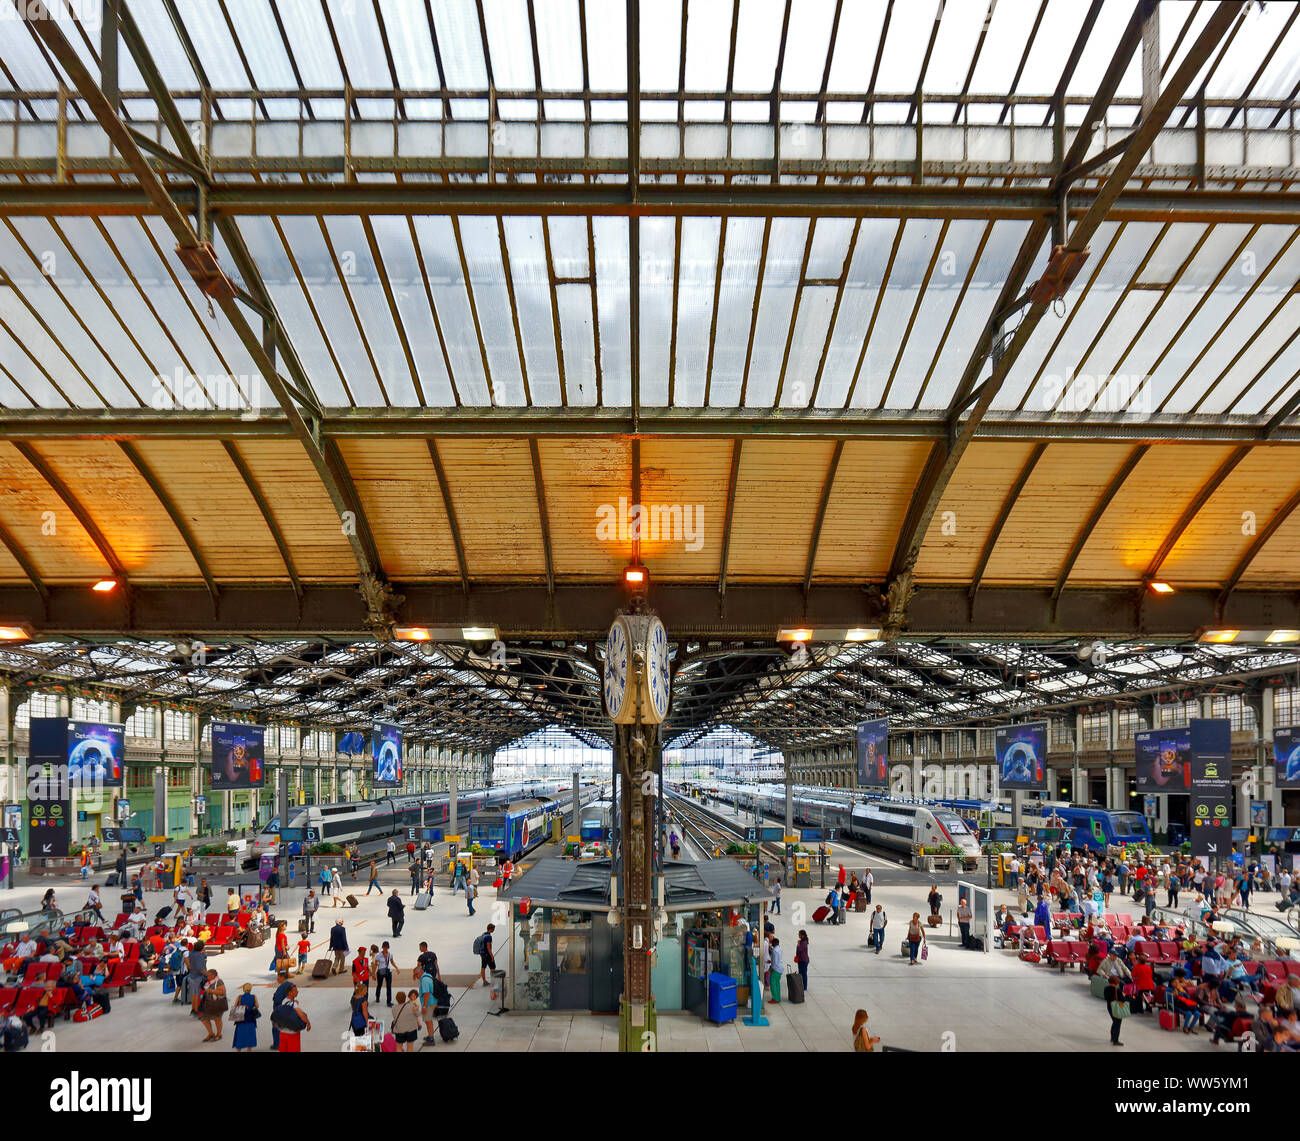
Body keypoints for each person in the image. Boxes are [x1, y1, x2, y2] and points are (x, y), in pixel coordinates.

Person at [275, 984, 310, 1052]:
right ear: (290, 993)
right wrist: (308, 1023)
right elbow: (301, 1015)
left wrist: (294, 1002)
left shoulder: (284, 1001)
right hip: (292, 1034)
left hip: (282, 1032)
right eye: (295, 990)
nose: (297, 991)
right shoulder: (293, 1004)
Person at [199, 969, 227, 1043]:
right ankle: (211, 1033)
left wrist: (211, 991)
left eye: (208, 975)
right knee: (204, 1018)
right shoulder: (208, 982)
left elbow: (223, 992)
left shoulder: (219, 981)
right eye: (207, 975)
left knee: (217, 1018)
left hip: (217, 1003)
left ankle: (218, 1034)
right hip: (208, 1003)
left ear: (213, 975)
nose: (207, 977)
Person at [231, 982, 259, 1052]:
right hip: (250, 1019)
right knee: (250, 1036)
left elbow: (235, 1007)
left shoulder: (239, 997)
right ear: (250, 989)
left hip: (241, 1019)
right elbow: (257, 1006)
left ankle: (238, 1050)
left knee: (240, 1036)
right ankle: (249, 1050)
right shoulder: (254, 996)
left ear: (243, 989)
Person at [1103, 974, 1127, 1046]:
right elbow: (1123, 1000)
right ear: (1116, 982)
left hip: (1109, 1006)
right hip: (1117, 1008)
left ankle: (1112, 1037)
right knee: (1117, 1023)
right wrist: (1124, 995)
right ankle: (1115, 1040)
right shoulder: (1117, 990)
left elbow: (1105, 998)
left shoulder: (1106, 988)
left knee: (1114, 1022)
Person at [418, 965, 439, 1045]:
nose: (415, 977)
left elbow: (426, 994)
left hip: (428, 1004)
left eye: (416, 974)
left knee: (428, 1020)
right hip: (432, 1001)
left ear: (420, 972)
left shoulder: (424, 980)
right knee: (428, 1020)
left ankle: (431, 1039)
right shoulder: (428, 975)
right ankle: (430, 1035)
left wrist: (424, 1006)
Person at [374, 941, 395, 1006]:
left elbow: (392, 962)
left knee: (389, 986)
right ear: (382, 947)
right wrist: (373, 973)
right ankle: (377, 996)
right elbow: (375, 964)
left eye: (386, 947)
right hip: (381, 971)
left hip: (388, 971)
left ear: (388, 947)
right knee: (379, 985)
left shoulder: (390, 954)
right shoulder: (378, 955)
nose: (385, 948)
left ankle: (389, 1001)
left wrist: (396, 968)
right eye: (384, 947)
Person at [768, 937, 783, 1003]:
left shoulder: (774, 951)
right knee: (777, 984)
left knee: (773, 984)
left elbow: (775, 961)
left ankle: (775, 999)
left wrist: (772, 968)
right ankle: (778, 997)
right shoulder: (779, 949)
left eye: (772, 943)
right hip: (780, 968)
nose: (771, 944)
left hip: (775, 969)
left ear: (774, 943)